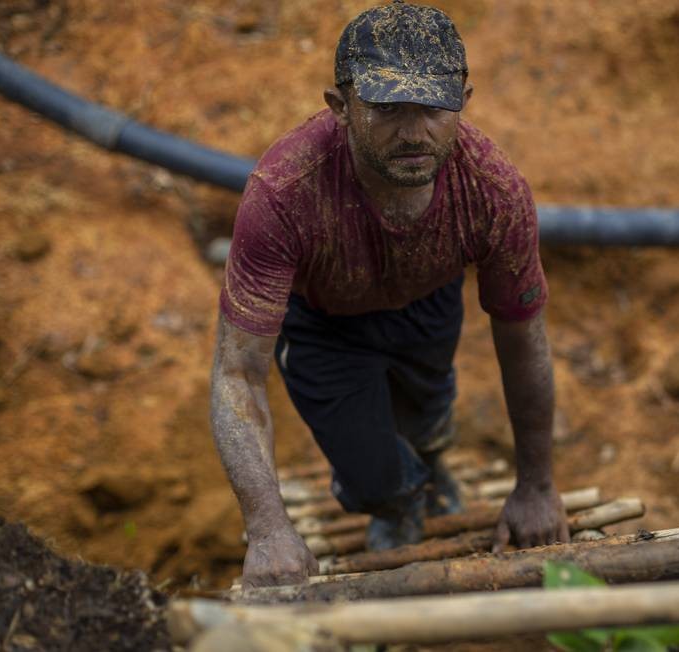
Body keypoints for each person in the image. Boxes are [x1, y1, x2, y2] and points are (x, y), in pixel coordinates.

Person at [210, 0, 569, 589]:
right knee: (372, 479)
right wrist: (268, 528)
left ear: (464, 103)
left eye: (432, 109)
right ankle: (396, 502)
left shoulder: (492, 191)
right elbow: (236, 373)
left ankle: (429, 468)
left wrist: (537, 486)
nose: (412, 133)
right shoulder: (285, 194)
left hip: (428, 304)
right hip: (324, 325)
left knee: (428, 422)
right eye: (386, 109)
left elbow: (524, 339)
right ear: (341, 108)